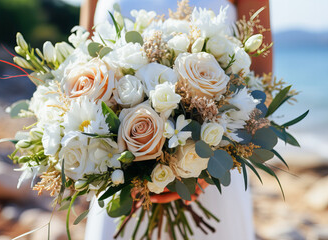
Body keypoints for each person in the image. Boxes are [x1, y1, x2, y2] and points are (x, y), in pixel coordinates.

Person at [81, 0, 273, 239]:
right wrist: (123, 172)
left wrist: (201, 170)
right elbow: (82, 64)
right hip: (120, 183)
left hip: (210, 178)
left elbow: (261, 86)